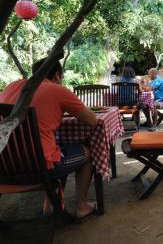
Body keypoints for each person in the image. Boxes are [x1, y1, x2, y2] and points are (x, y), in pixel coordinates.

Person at [0, 58, 98, 222]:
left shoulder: (11, 86)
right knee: (86, 150)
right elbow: (92, 121)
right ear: (58, 75)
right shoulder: (56, 90)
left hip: (3, 165)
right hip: (39, 167)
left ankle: (50, 205)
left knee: (55, 148)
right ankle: (82, 206)